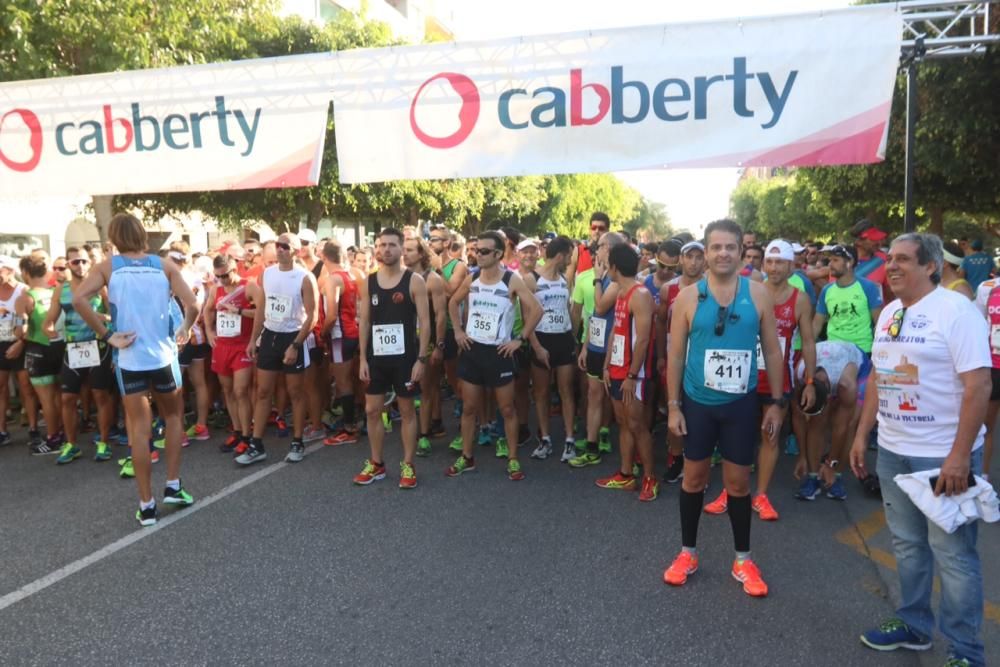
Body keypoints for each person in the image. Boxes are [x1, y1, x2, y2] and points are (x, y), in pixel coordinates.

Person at [849, 233, 990, 667]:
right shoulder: (890, 312)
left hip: (942, 456)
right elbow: (879, 376)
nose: (892, 266)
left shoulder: (956, 310)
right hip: (893, 452)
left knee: (953, 554)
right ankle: (913, 625)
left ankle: (966, 651)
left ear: (931, 266)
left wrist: (960, 456)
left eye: (904, 260)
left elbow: (979, 385)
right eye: (890, 259)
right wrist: (861, 435)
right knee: (907, 545)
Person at [664, 219, 785, 597]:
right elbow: (676, 355)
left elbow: (772, 350)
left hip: (740, 403)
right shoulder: (686, 297)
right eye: (715, 247)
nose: (723, 253)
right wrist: (672, 407)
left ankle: (743, 559)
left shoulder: (759, 294)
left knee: (737, 483)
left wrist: (777, 403)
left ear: (741, 251)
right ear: (704, 251)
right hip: (698, 402)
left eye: (730, 247)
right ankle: (688, 553)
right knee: (693, 479)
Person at [73, 212, 200, 526]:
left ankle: (146, 505)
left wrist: (107, 336)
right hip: (162, 357)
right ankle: (172, 485)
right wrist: (184, 327)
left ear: (115, 237)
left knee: (139, 431)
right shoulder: (164, 265)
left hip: (130, 359)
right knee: (173, 418)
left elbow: (79, 299)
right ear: (143, 234)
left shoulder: (108, 268)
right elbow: (193, 304)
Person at [703, 239, 816, 520]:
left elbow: (810, 342)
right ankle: (731, 491)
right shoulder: (748, 292)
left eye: (780, 263)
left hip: (777, 380)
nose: (774, 268)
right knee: (736, 437)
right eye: (770, 262)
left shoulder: (799, 299)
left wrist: (811, 382)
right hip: (742, 376)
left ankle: (761, 495)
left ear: (792, 266)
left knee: (771, 435)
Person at [445, 231, 542, 480]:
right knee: (469, 408)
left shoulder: (512, 280)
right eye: (477, 250)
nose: (478, 254)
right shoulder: (472, 278)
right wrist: (457, 331)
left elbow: (536, 310)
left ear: (498, 254)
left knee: (507, 409)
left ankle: (512, 459)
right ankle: (467, 457)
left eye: (484, 251)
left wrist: (519, 340)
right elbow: (453, 303)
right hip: (473, 350)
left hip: (499, 352)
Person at [354, 228, 430, 488]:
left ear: (401, 249)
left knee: (407, 411)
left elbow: (425, 321)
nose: (386, 249)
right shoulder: (368, 282)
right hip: (376, 359)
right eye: (381, 245)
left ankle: (408, 464)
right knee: (372, 410)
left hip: (405, 359)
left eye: (391, 245)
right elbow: (364, 322)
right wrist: (363, 358)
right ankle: (376, 463)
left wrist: (421, 359)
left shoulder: (414, 281)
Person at [239, 232, 319, 466]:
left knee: (295, 391)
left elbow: (312, 316)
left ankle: (297, 440)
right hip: (270, 336)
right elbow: (262, 309)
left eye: (285, 246)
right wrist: (253, 340)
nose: (280, 249)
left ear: (296, 250)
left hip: (293, 335)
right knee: (263, 391)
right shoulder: (267, 274)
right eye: (278, 245)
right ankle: (256, 444)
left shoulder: (304, 277)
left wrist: (296, 344)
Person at [593, 244, 658, 500]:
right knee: (623, 423)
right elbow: (616, 332)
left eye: (608, 263)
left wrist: (632, 375)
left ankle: (651, 478)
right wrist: (607, 365)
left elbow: (643, 340)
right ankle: (625, 473)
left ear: (614, 267)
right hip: (619, 369)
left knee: (637, 424)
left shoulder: (639, 294)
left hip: (635, 374)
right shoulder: (621, 292)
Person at [43, 246, 115, 464]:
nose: (80, 265)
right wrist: (48, 327)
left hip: (97, 346)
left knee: (100, 395)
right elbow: (50, 319)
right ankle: (72, 444)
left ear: (90, 263)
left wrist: (104, 317)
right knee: (67, 398)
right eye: (75, 262)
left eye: (84, 261)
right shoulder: (61, 290)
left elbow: (114, 314)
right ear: (68, 264)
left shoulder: (99, 285)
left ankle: (103, 442)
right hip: (73, 348)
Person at [569, 232, 625, 467]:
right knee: (594, 394)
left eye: (600, 246)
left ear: (609, 250)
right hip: (595, 343)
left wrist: (598, 279)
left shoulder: (616, 279)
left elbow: (601, 307)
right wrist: (584, 346)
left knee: (619, 404)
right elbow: (593, 316)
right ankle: (591, 446)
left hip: (615, 349)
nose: (596, 250)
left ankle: (629, 458)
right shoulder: (596, 276)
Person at [656, 240, 706, 484]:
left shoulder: (712, 287)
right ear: (681, 260)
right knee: (673, 409)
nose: (694, 262)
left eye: (699, 257)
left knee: (699, 415)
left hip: (700, 360)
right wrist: (660, 356)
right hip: (674, 357)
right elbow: (660, 322)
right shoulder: (669, 289)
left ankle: (697, 464)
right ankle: (675, 458)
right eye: (689, 257)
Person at [794, 341, 870, 500]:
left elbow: (841, 427)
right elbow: (798, 418)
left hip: (855, 365)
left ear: (829, 396)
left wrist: (830, 464)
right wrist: (802, 455)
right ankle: (813, 476)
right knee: (816, 421)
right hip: (825, 362)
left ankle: (837, 475)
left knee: (850, 425)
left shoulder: (846, 385)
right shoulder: (800, 372)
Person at [528, 236, 578, 462]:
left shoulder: (564, 279)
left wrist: (573, 339)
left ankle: (569, 440)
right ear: (560, 255)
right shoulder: (532, 279)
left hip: (563, 339)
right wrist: (537, 347)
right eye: (569, 256)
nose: (570, 261)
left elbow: (567, 309)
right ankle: (545, 438)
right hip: (542, 339)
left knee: (566, 389)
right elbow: (527, 317)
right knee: (541, 392)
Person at [204, 254, 259, 453]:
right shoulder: (215, 289)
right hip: (222, 346)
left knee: (240, 391)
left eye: (225, 275)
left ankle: (247, 434)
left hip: (242, 346)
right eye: (218, 276)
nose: (223, 280)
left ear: (235, 269)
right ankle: (236, 431)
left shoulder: (249, 286)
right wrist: (209, 332)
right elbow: (207, 310)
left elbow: (262, 312)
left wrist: (239, 312)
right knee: (228, 391)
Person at [15, 254, 64, 454]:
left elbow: (22, 329)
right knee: (59, 395)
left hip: (38, 349)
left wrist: (17, 338)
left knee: (46, 399)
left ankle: (53, 439)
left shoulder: (25, 297)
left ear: (25, 273)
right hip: (59, 345)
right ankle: (63, 434)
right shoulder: (56, 292)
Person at [402, 237, 447, 457]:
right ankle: (413, 428)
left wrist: (439, 345)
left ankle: (423, 435)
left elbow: (440, 315)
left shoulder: (433, 279)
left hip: (426, 342)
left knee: (427, 389)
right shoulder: (401, 277)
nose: (405, 254)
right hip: (405, 342)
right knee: (408, 389)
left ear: (421, 254)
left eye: (410, 250)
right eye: (404, 250)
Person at [320, 240, 363, 446]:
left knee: (343, 381)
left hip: (340, 335)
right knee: (351, 379)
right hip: (351, 332)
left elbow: (331, 315)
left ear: (323, 257)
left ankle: (349, 427)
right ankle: (354, 420)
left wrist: (322, 334)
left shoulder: (333, 279)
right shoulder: (350, 275)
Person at [813, 244, 883, 355]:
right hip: (833, 350)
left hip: (862, 351)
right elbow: (816, 324)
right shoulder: (827, 290)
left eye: (835, 260)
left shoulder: (868, 287)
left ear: (849, 262)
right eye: (830, 260)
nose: (830, 264)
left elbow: (879, 323)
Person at [0, 256, 37, 447]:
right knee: (1, 387)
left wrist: (20, 342)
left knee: (26, 387)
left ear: (10, 271)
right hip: (1, 344)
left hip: (21, 342)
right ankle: (2, 430)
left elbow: (33, 322)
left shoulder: (23, 291)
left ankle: (33, 428)